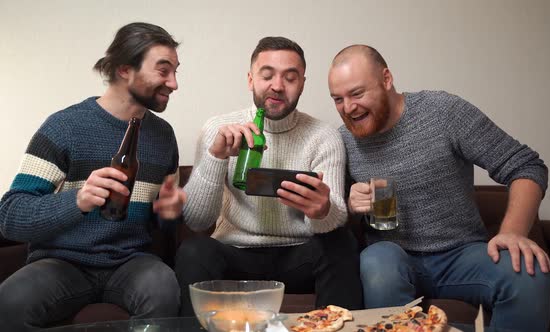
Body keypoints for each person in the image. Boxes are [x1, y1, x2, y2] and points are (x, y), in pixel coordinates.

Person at [327, 45, 550, 331]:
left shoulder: (443, 112)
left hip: (462, 254)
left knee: (529, 274)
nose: (348, 108)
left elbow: (526, 165)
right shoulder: (342, 141)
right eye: (338, 99)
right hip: (391, 259)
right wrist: (350, 204)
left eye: (357, 93)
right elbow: (332, 216)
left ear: (386, 79)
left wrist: (513, 231)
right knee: (376, 261)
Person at [0, 22, 186, 330]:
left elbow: (162, 222)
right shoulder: (64, 128)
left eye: (176, 71)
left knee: (163, 286)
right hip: (61, 263)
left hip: (131, 263)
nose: (174, 83)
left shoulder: (163, 136)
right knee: (8, 302)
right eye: (163, 70)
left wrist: (169, 214)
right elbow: (11, 215)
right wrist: (78, 200)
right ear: (125, 69)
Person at [176, 36, 363, 316]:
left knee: (341, 242)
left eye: (290, 77)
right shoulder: (219, 129)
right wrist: (217, 157)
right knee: (194, 251)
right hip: (235, 254)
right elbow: (197, 220)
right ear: (251, 80)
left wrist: (324, 210)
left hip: (299, 255)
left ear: (302, 83)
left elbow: (331, 222)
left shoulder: (324, 136)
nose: (277, 85)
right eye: (267, 76)